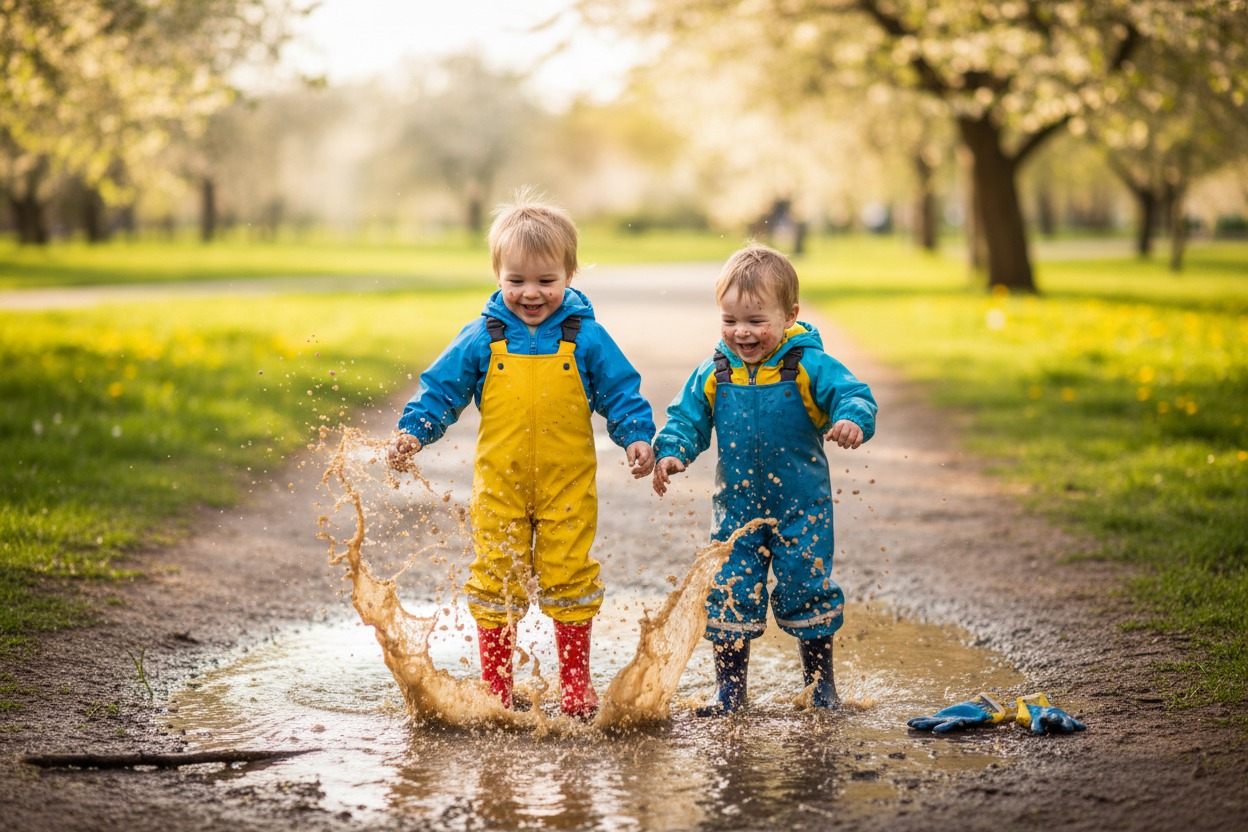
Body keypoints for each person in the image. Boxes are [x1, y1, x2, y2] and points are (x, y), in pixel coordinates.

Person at [387, 190, 656, 718]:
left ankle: (576, 684)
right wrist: (413, 432)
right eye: (516, 281)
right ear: (498, 277)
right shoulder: (482, 338)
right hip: (500, 485)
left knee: (570, 573)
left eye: (545, 281)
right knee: (496, 576)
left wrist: (637, 437)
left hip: (567, 484)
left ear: (569, 276)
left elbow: (621, 391)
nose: (531, 294)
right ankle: (497, 686)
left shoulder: (586, 338)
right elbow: (442, 391)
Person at [651, 244, 877, 715]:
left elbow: (852, 393)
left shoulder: (807, 366)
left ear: (790, 315)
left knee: (806, 588)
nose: (742, 333)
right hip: (736, 513)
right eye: (730, 320)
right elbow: (686, 420)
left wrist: (852, 418)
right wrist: (672, 452)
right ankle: (729, 692)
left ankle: (821, 688)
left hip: (802, 507)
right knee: (731, 590)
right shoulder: (715, 372)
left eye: (756, 321)